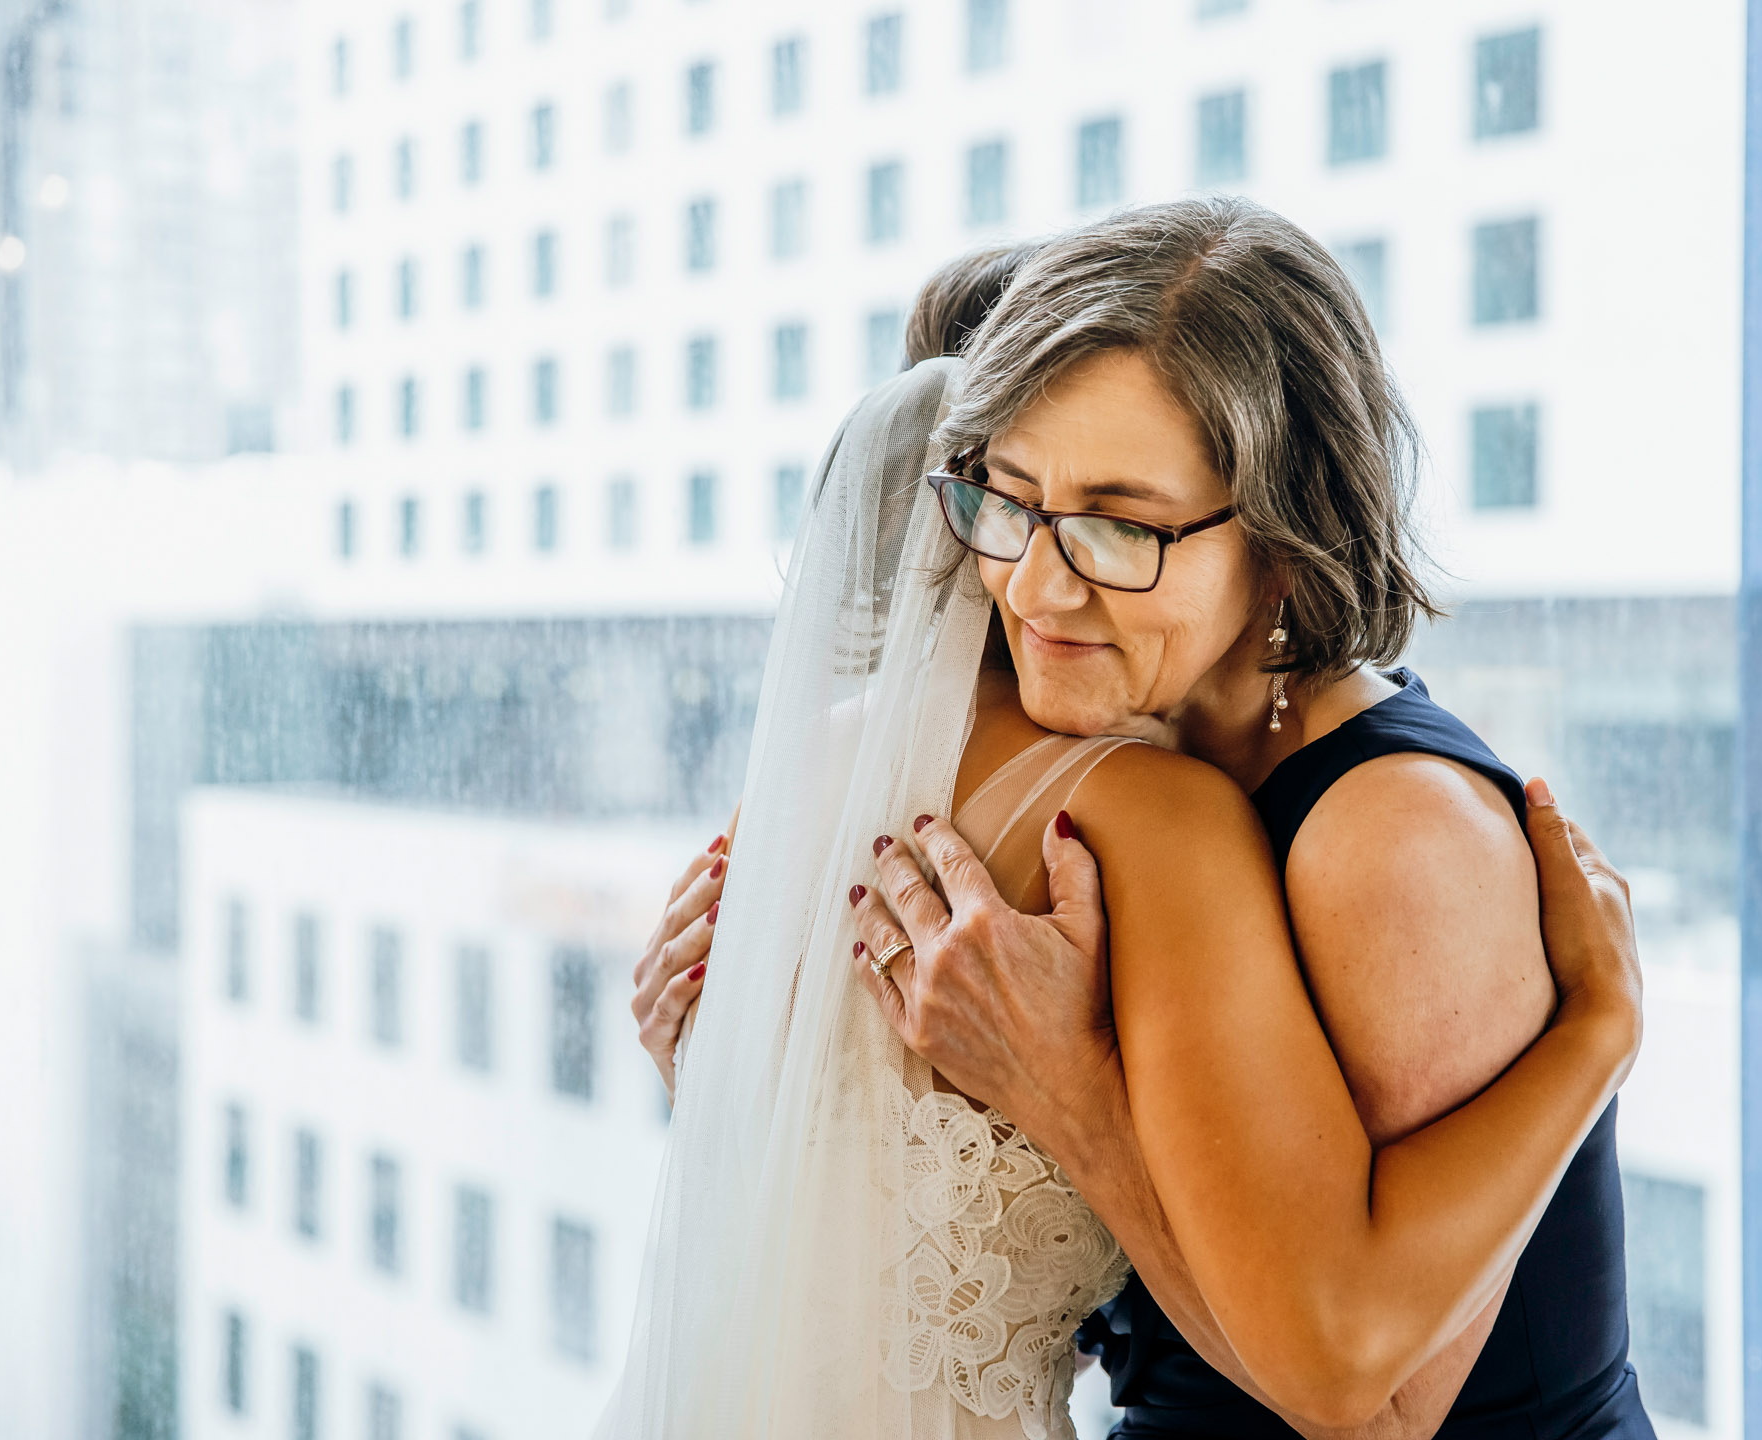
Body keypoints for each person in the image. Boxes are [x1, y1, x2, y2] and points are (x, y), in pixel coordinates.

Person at [624, 199, 1650, 1440]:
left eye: (1119, 528)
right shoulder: (1089, 783)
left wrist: (1069, 1095)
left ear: (1284, 541)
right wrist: (754, 1053)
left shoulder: (1394, 837)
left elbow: (1368, 1414)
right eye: (1009, 502)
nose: (1035, 586)